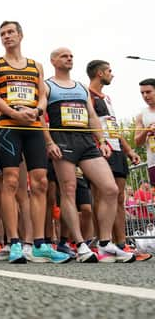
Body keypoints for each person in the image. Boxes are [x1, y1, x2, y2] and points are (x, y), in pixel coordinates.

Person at [0, 21, 63, 264]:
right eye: (2, 34)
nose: (6, 37)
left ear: (20, 35)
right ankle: (15, 242)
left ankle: (39, 243)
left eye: (10, 32)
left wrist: (38, 112)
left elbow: (42, 95)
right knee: (9, 182)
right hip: (9, 127)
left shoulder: (35, 65)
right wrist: (14, 113)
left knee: (40, 183)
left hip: (33, 128)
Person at [44, 47, 132, 262]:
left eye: (71, 56)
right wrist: (49, 142)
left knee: (110, 189)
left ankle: (104, 243)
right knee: (69, 191)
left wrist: (101, 141)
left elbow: (92, 117)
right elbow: (40, 117)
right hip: (63, 140)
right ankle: (81, 245)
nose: (69, 58)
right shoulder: (47, 85)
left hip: (86, 142)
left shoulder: (82, 87)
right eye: (64, 56)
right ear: (54, 60)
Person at [86, 60, 148, 261]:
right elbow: (90, 124)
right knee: (101, 197)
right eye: (109, 71)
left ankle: (122, 243)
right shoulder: (89, 95)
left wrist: (128, 150)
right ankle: (103, 242)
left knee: (119, 197)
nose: (112, 74)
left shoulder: (108, 98)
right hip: (101, 149)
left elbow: (114, 127)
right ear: (100, 73)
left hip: (118, 149)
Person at [136, 79, 155, 185]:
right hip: (153, 162)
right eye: (142, 93)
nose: (145, 96)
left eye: (148, 92)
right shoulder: (141, 115)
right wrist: (146, 130)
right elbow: (137, 142)